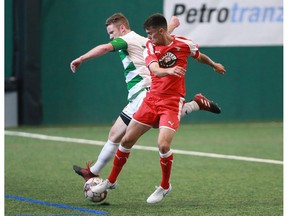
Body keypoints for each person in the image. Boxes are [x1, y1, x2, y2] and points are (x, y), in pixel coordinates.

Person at [70, 13, 221, 182]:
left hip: (143, 92)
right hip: (142, 93)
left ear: (122, 28)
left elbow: (105, 48)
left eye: (112, 32)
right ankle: (93, 171)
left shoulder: (125, 39)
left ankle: (194, 105)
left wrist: (81, 59)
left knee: (151, 127)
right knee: (115, 134)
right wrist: (172, 25)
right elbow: (162, 34)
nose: (111, 37)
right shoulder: (145, 39)